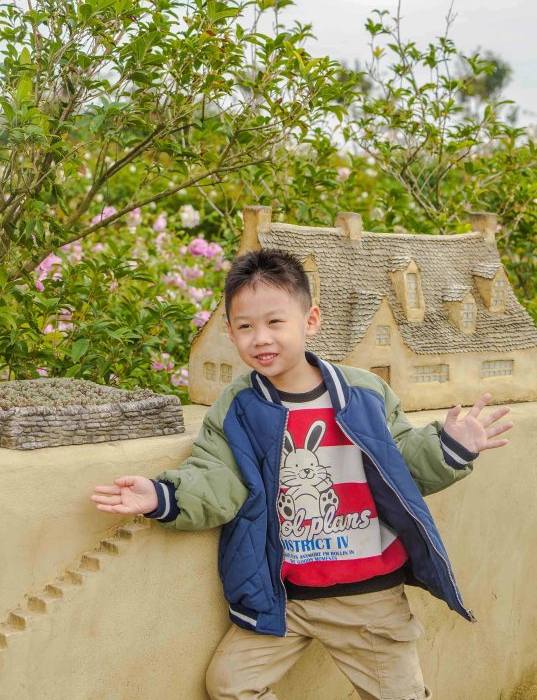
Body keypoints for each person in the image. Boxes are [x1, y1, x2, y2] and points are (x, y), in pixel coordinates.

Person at [91, 248, 513, 700]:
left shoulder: (364, 393)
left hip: (369, 600)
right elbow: (218, 478)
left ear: (309, 321)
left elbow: (402, 465)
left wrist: (451, 446)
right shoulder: (237, 407)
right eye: (245, 326)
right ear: (230, 332)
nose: (260, 338)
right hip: (283, 599)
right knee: (231, 684)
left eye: (275, 322)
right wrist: (161, 495)